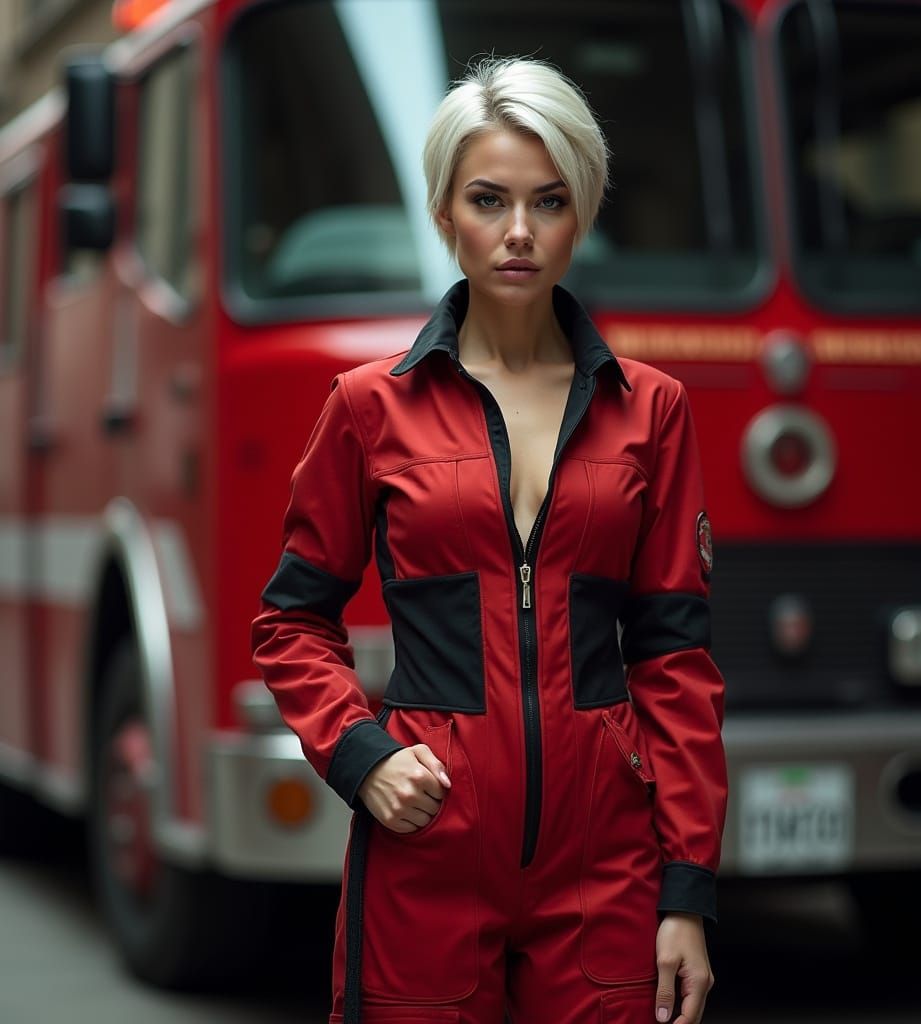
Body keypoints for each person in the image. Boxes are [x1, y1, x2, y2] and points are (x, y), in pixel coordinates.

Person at [251, 55, 728, 1024]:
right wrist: (361, 755)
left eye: (548, 200)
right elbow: (291, 620)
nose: (518, 231)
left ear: (581, 213)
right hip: (427, 851)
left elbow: (675, 658)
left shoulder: (652, 411)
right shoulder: (367, 407)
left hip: (604, 862)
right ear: (443, 213)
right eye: (487, 199)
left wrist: (685, 891)